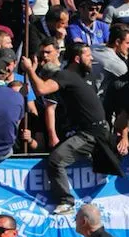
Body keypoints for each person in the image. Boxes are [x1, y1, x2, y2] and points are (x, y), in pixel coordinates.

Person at [19, 45, 108, 215]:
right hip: (91, 132)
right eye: (88, 55)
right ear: (76, 58)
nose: (92, 59)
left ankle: (66, 201)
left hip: (92, 134)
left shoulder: (73, 76)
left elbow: (41, 89)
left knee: (55, 160)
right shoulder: (67, 75)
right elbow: (43, 90)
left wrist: (30, 69)